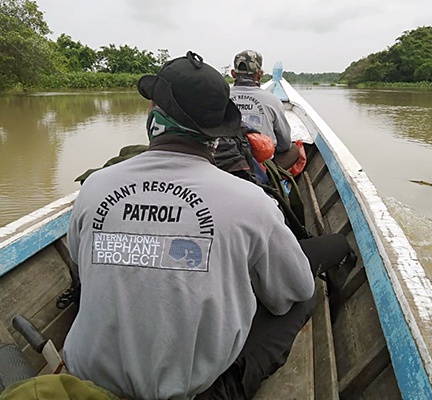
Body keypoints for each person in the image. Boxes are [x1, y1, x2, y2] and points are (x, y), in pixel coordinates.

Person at [63, 51, 331, 400]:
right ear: (218, 130)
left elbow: (81, 270)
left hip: (84, 381)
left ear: (153, 115)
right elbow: (292, 293)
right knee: (303, 295)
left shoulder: (94, 186)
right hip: (192, 391)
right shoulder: (252, 202)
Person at [230, 49, 300, 169]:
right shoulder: (273, 100)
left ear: (233, 74)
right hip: (260, 163)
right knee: (294, 150)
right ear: (260, 74)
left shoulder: (220, 97)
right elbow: (284, 144)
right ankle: (271, 175)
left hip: (227, 160)